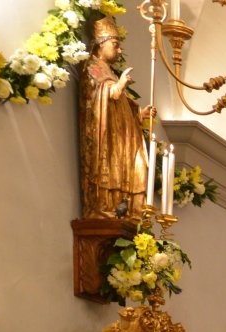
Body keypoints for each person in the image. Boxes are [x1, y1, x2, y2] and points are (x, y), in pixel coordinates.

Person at [80, 17, 151, 219]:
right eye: (115, 45)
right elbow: (97, 94)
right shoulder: (92, 66)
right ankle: (105, 205)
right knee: (109, 167)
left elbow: (120, 106)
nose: (119, 51)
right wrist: (119, 86)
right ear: (100, 44)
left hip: (119, 134)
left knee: (137, 164)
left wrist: (138, 115)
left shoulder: (109, 71)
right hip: (106, 135)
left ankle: (130, 209)